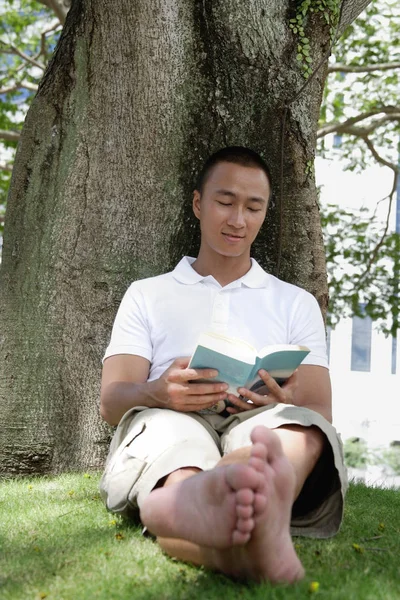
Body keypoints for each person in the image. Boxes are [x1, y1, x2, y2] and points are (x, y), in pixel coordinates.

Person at [99, 146, 347, 584]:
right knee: (172, 443)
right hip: (171, 415)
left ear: (265, 214)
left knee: (298, 426)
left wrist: (284, 398)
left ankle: (251, 500)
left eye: (253, 207)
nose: (238, 220)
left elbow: (319, 410)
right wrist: (157, 391)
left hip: (257, 419)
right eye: (225, 202)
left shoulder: (296, 302)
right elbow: (112, 401)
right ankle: (201, 505)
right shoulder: (147, 293)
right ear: (198, 203)